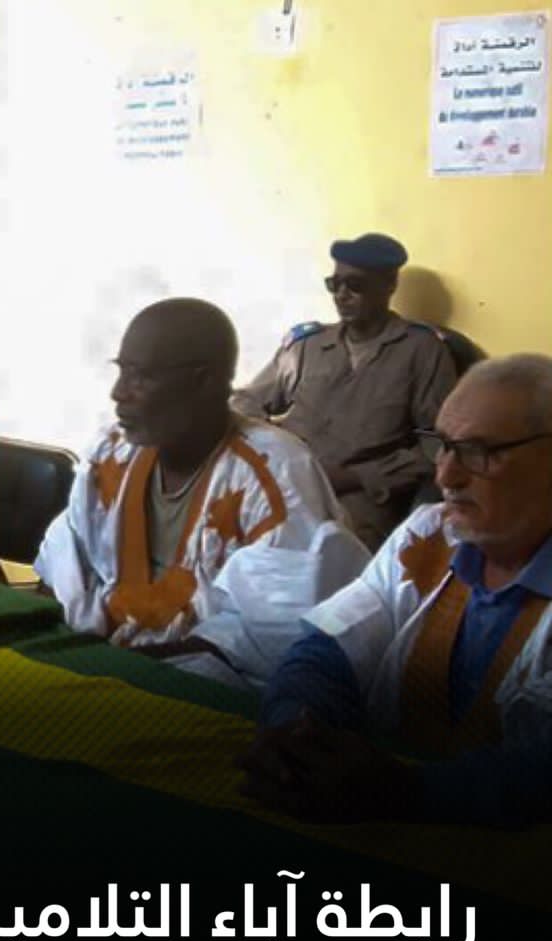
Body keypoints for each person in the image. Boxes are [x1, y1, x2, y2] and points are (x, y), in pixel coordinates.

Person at [243, 355, 552, 826]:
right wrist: (295, 730)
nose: (445, 476)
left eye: (479, 452)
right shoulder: (430, 535)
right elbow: (330, 646)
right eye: (443, 446)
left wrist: (410, 791)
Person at [34, 299, 367, 685]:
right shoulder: (111, 453)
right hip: (96, 667)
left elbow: (272, 635)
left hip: (205, 689)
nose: (118, 392)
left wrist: (123, 670)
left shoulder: (276, 473)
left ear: (204, 382)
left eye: (140, 377)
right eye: (121, 371)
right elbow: (64, 564)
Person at [231, 233, 457, 548]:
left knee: (326, 558)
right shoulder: (308, 345)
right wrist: (274, 449)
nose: (341, 295)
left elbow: (438, 446)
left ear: (388, 285)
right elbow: (243, 402)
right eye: (334, 284)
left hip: (358, 499)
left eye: (355, 285)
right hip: (285, 485)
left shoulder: (421, 350)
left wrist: (357, 477)